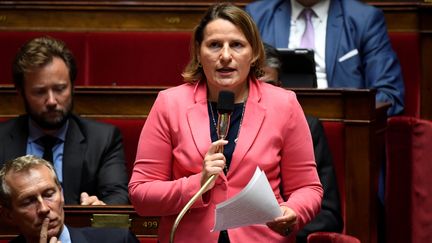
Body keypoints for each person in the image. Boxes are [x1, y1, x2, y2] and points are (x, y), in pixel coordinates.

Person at [129, 3, 323, 243]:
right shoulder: (170, 104)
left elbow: (308, 188)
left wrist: (293, 211)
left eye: (237, 45)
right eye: (214, 45)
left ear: (253, 54)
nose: (225, 56)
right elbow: (140, 194)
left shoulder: (284, 105)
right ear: (199, 54)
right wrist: (196, 184)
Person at [0, 36, 129, 205]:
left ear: (72, 86)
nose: (52, 101)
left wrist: (100, 208)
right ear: (20, 93)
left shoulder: (103, 139)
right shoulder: (2, 139)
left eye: (60, 89)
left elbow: (118, 198)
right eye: (40, 92)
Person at [245, 0, 405, 116]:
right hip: (270, 125)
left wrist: (348, 112)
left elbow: (389, 94)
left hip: (342, 128)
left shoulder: (364, 19)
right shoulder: (257, 16)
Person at [262, 43, 343, 243]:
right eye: (253, 85)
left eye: (269, 86)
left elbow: (328, 214)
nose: (261, 95)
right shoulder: (224, 124)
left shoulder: (308, 127)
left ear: (280, 87)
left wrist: (284, 227)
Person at [0, 155, 139, 243]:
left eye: (49, 194)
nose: (44, 209)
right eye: (28, 201)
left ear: (61, 194)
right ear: (8, 215)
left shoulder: (118, 239)